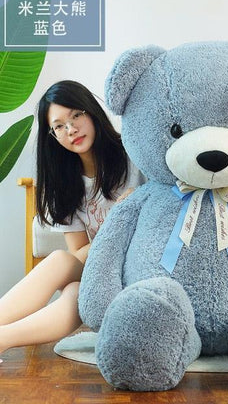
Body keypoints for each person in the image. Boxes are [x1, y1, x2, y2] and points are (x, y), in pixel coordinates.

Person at [0, 80, 145, 362]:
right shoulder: (64, 182)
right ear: (52, 136)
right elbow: (78, 252)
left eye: (76, 115)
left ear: (91, 111)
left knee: (69, 274)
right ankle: (3, 338)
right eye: (59, 126)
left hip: (141, 265)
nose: (71, 130)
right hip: (104, 268)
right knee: (69, 280)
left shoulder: (133, 155)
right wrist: (113, 225)